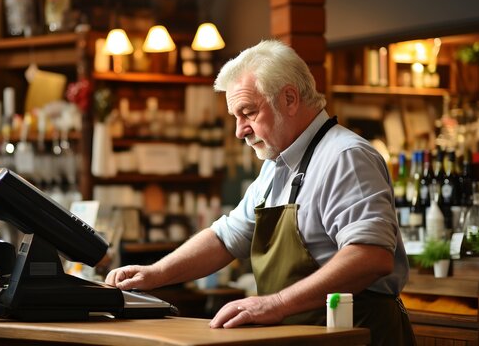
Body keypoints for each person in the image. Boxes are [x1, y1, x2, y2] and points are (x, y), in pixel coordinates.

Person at [106, 39, 416, 345]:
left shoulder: (345, 157)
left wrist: (275, 303)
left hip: (357, 336)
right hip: (301, 338)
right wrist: (154, 274)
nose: (240, 130)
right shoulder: (276, 164)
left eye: (248, 112)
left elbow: (370, 256)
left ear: (290, 99)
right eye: (235, 117)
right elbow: (227, 237)